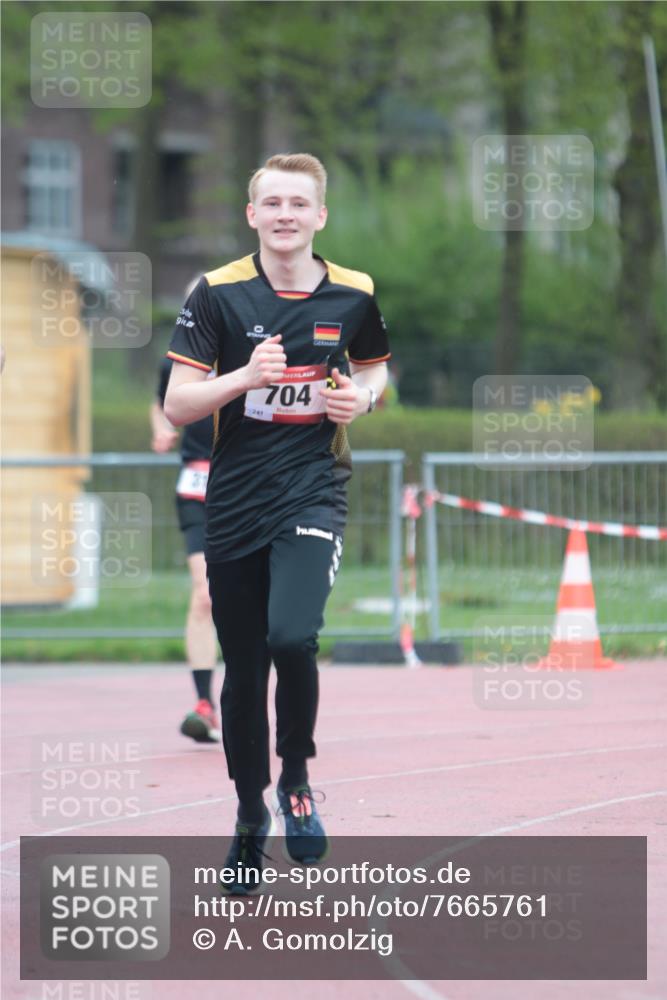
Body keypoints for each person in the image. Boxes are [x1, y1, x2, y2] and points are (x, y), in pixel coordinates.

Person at [164, 153, 389, 892]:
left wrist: (361, 398)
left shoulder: (353, 293)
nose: (286, 214)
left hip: (311, 492)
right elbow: (178, 404)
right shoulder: (218, 295)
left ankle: (295, 778)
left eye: (300, 203)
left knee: (293, 635)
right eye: (273, 203)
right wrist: (245, 378)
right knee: (244, 666)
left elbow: (375, 368)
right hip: (232, 501)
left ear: (319, 216)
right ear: (252, 215)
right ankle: (247, 817)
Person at [151, 299, 221, 745]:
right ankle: (203, 704)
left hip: (253, 488)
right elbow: (160, 401)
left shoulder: (259, 349)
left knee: (257, 603)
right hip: (197, 484)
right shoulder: (179, 358)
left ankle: (251, 697)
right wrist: (160, 427)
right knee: (205, 595)